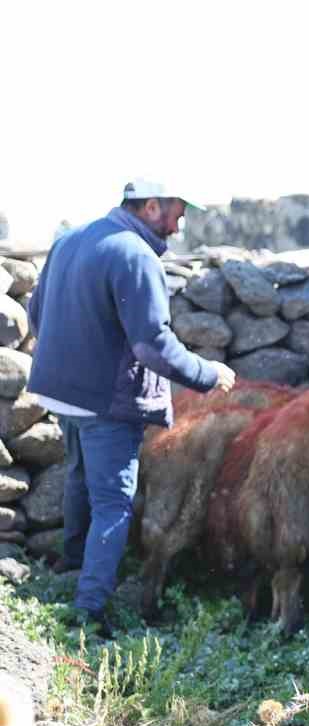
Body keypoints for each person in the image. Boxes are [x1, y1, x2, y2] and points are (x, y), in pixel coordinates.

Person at [25, 180, 237, 637]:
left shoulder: (69, 241)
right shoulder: (135, 254)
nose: (180, 225)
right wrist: (207, 374)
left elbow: (36, 312)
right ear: (151, 205)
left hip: (64, 393)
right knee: (114, 503)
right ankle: (88, 611)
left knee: (81, 477)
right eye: (177, 212)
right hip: (106, 400)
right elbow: (152, 345)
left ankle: (73, 566)